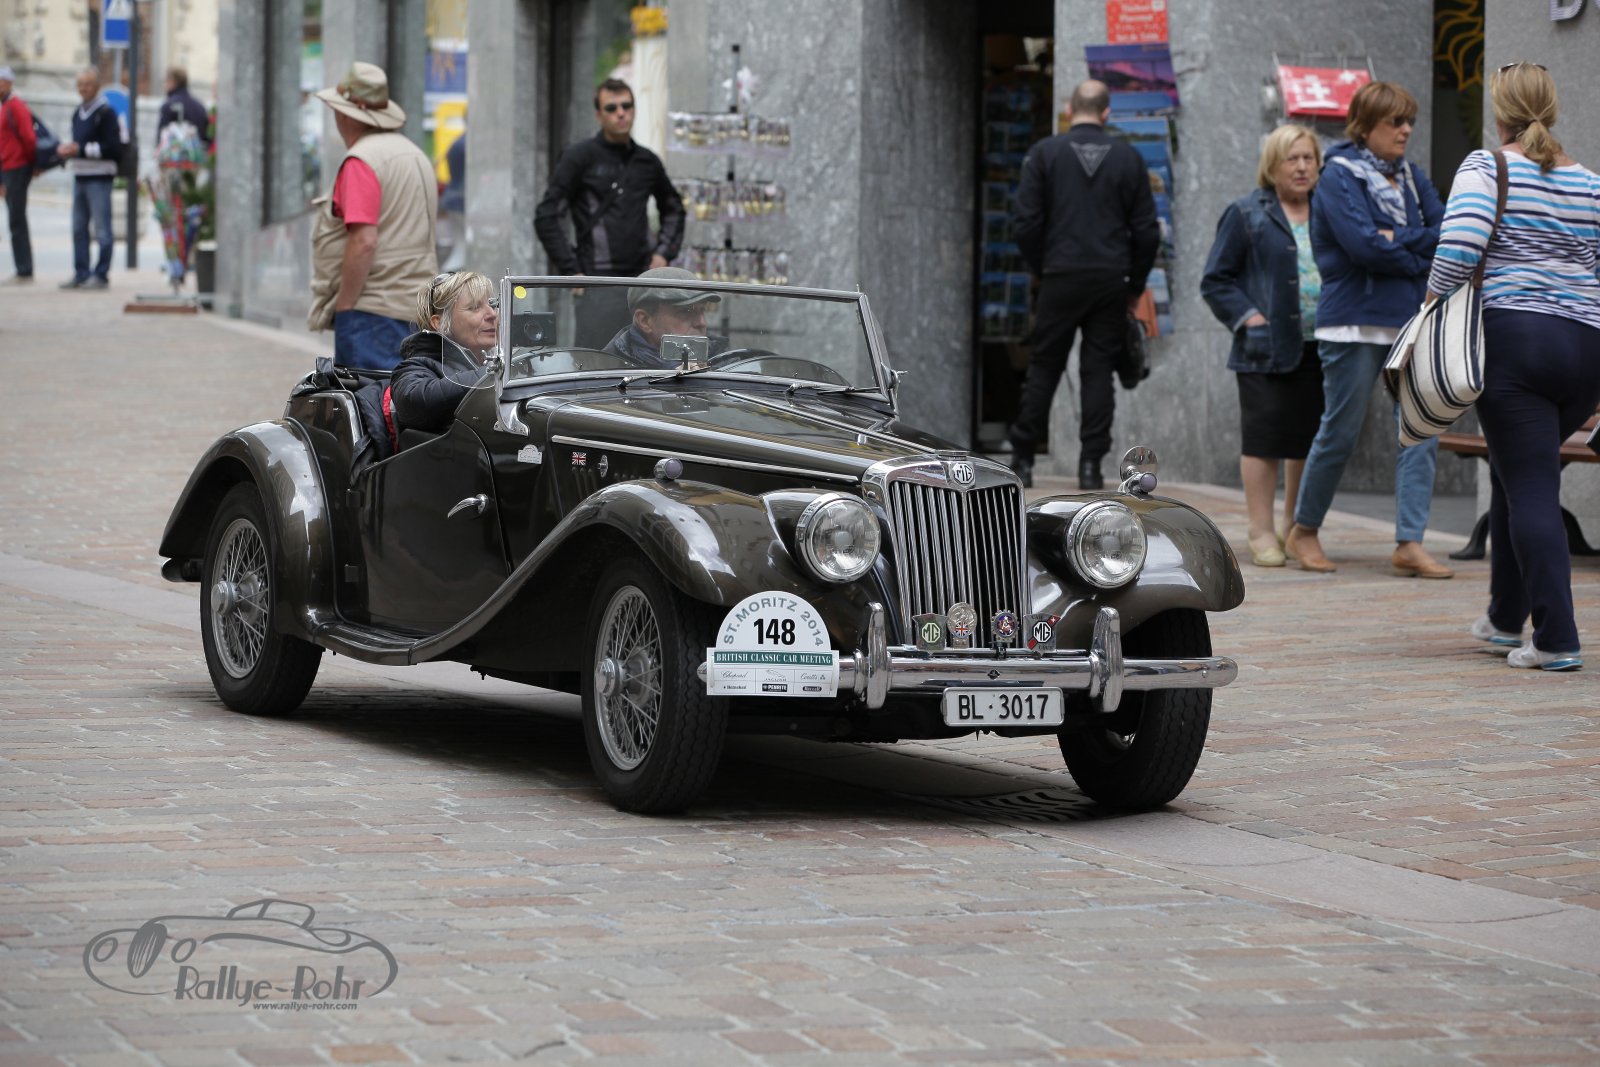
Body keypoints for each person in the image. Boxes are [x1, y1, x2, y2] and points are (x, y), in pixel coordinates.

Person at [1430, 63, 1599, 672]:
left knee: (1529, 485)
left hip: (1517, 342)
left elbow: (1458, 249)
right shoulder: (1589, 182)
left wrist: (1429, 307)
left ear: (1498, 112)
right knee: (1515, 472)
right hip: (1585, 350)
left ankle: (1556, 638)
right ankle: (1505, 618)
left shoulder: (1487, 166)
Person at [1285, 81, 1451, 578]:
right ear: (1365, 126)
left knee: (1421, 430)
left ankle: (1409, 542)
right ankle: (1304, 530)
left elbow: (1444, 232)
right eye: (1394, 122)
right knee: (1341, 431)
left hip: (1409, 319)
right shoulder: (1338, 175)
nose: (1406, 130)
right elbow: (1362, 247)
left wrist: (1396, 238)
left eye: (1409, 121)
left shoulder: (1412, 176)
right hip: (1352, 321)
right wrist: (1413, 253)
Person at [1008, 78, 1160, 490]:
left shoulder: (1045, 153)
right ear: (1107, 112)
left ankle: (1023, 460)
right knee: (1098, 371)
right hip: (1110, 280)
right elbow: (1147, 232)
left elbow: (1024, 224)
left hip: (1060, 275)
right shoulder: (1128, 158)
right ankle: (1090, 465)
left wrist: (1043, 267)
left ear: (1069, 109)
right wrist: (1134, 285)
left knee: (1045, 366)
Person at [1202, 125, 1326, 567]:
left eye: (1309, 158)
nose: (1302, 167)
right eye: (1292, 159)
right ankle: (1260, 530)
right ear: (1272, 165)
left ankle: (1295, 525)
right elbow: (1215, 279)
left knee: (1306, 441)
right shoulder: (1246, 213)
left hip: (1322, 345)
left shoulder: (1329, 210)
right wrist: (1250, 317)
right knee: (1264, 439)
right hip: (1264, 346)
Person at [535, 78, 686, 350]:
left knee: (648, 360)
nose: (621, 113)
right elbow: (546, 215)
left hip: (641, 284)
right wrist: (571, 270)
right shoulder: (578, 157)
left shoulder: (647, 161)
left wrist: (663, 254)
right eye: (612, 108)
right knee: (596, 363)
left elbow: (674, 208)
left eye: (626, 106)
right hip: (597, 285)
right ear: (598, 115)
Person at [307, 62, 438, 371]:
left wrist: (345, 306)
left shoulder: (362, 160)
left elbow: (364, 241)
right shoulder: (415, 154)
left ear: (345, 115)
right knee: (406, 397)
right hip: (418, 308)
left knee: (371, 398)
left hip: (373, 311)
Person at [388, 271, 500, 440]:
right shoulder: (415, 367)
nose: (492, 314)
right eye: (475, 307)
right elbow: (413, 401)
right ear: (439, 323)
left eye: (493, 305)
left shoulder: (502, 358)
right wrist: (497, 373)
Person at [56, 69, 121, 290]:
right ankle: (81, 273)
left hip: (99, 178)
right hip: (80, 176)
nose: (83, 88)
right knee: (78, 228)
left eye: (87, 84)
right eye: (80, 84)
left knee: (102, 229)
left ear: (97, 86)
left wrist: (80, 150)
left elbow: (113, 148)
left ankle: (101, 274)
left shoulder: (106, 113)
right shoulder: (78, 112)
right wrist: (69, 151)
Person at [601, 266, 722, 367]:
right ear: (645, 321)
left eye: (702, 310)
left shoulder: (720, 358)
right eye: (686, 311)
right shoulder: (608, 370)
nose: (701, 323)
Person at [0, 65, 36, 284]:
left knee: (17, 219)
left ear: (8, 82)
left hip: (18, 167)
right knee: (15, 219)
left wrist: (29, 164)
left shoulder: (16, 105)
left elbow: (29, 138)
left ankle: (24, 269)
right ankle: (22, 268)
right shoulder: (5, 106)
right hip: (8, 167)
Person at [156, 67, 211, 145]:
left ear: (172, 82)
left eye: (166, 81)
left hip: (174, 151)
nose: (165, 85)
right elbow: (206, 136)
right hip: (197, 151)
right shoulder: (200, 106)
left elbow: (162, 138)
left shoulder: (169, 106)